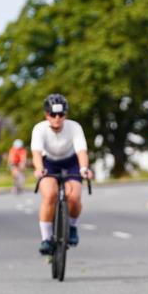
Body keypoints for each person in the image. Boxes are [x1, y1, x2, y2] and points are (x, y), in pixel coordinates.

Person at [30, 94, 93, 255]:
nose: (57, 118)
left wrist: (84, 168)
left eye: (61, 114)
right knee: (50, 195)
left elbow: (81, 151)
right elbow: (36, 153)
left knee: (74, 197)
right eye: (53, 114)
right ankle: (46, 238)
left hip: (71, 162)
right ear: (46, 115)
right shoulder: (39, 129)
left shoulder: (74, 127)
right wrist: (38, 168)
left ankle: (72, 226)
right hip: (49, 162)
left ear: (65, 115)